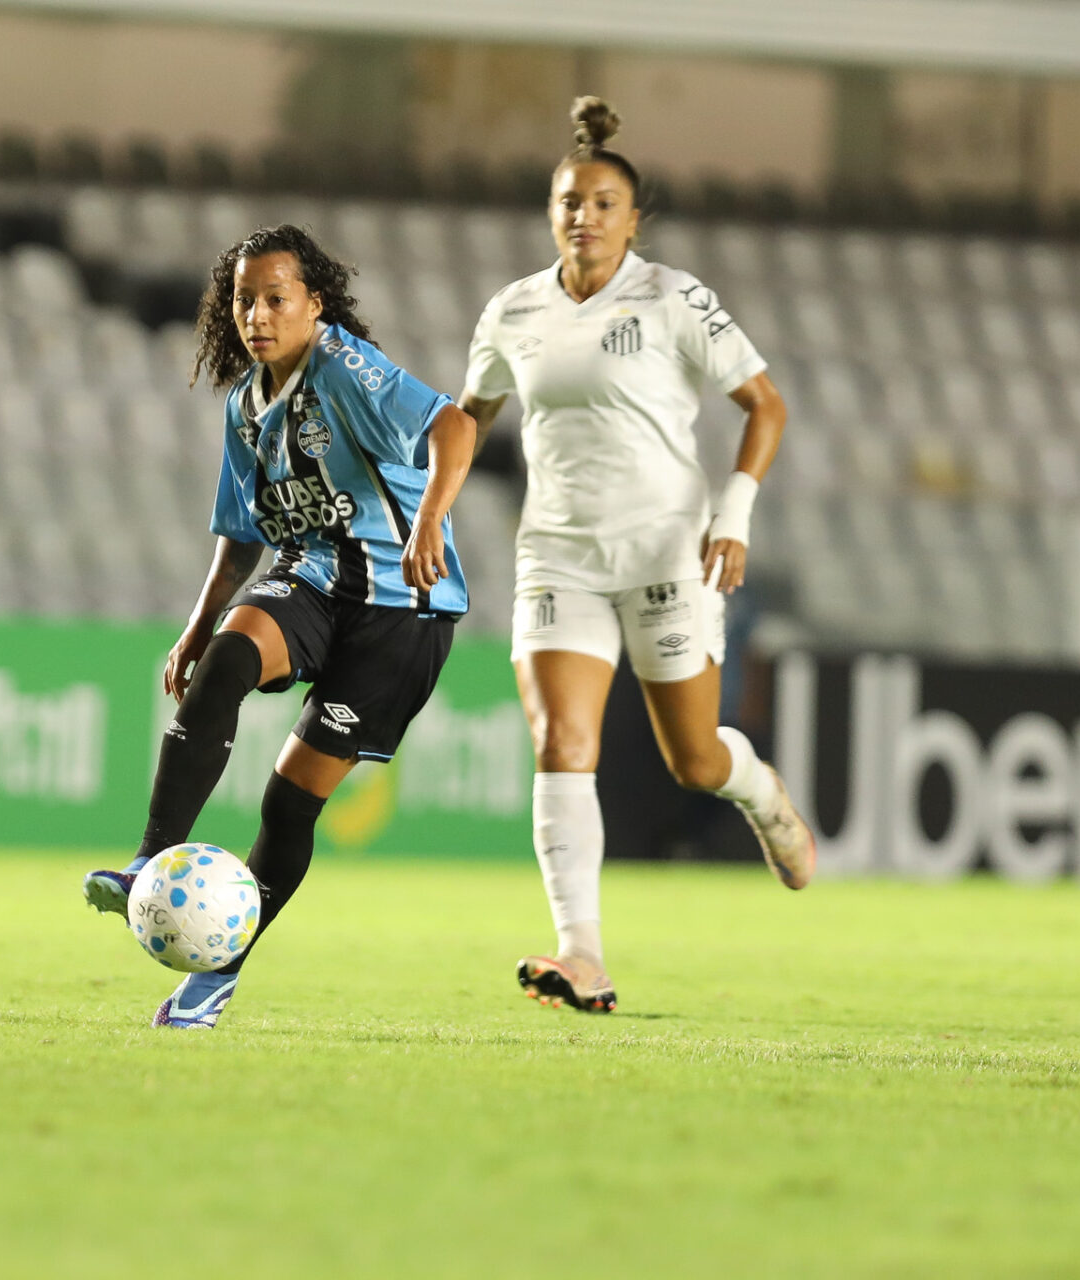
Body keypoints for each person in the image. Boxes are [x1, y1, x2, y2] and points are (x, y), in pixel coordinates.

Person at [459, 98, 815, 1015]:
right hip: (557, 557)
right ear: (551, 212)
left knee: (693, 761)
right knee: (560, 743)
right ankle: (583, 955)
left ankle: (764, 796)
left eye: (603, 203)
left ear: (634, 218)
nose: (584, 216)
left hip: (666, 550)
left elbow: (765, 406)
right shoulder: (513, 311)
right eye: (569, 201)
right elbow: (471, 415)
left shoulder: (673, 298)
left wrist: (733, 511)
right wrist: (431, 505)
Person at [81, 224, 477, 1029]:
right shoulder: (245, 405)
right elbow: (241, 531)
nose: (258, 316)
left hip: (402, 609)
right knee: (228, 658)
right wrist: (197, 626)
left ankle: (215, 976)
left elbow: (455, 426)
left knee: (289, 806)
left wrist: (430, 516)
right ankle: (148, 858)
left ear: (314, 304)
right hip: (313, 576)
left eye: (275, 300)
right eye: (243, 302)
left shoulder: (347, 368)